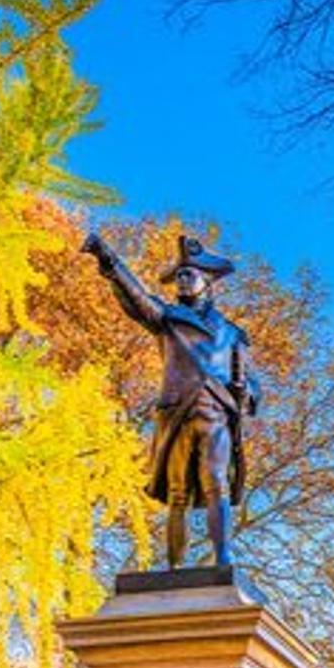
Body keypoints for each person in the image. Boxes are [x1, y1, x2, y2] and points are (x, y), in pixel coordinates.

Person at [83, 231, 258, 568]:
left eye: (188, 274)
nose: (181, 280)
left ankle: (223, 559)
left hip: (216, 414)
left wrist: (244, 391)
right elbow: (137, 299)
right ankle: (174, 566)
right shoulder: (167, 317)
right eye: (178, 275)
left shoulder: (233, 334)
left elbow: (253, 384)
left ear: (207, 281)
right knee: (177, 494)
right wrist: (109, 260)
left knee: (216, 484)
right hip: (177, 414)